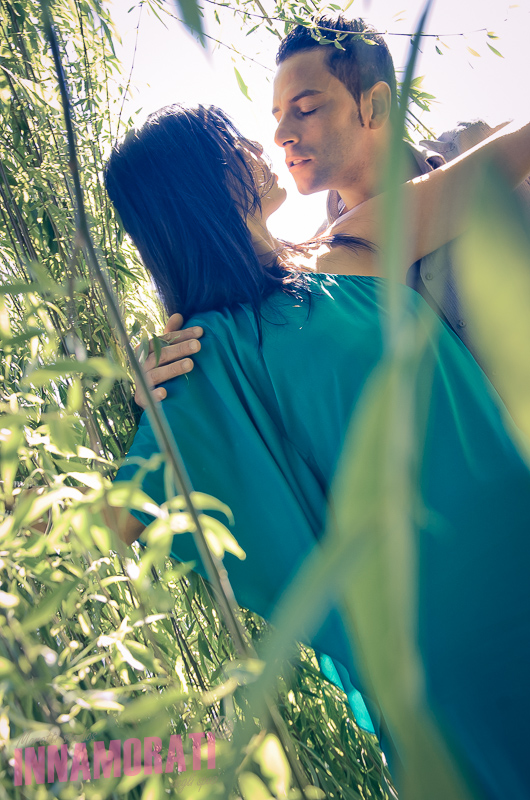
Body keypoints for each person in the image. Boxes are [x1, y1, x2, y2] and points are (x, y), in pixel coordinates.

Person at [104, 101, 530, 799]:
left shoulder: (356, 244)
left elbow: (500, 161)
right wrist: (149, 404)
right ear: (197, 182)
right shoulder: (200, 364)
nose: (255, 143)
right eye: (229, 142)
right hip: (439, 639)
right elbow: (114, 523)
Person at [139, 16, 530, 398]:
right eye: (277, 116)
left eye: (305, 109)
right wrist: (159, 375)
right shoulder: (325, 275)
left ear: (374, 105)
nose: (278, 136)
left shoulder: (491, 150)